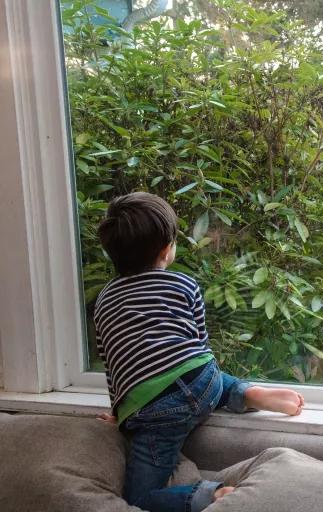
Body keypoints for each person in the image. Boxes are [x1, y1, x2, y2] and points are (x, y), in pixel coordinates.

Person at [93, 192, 304, 512]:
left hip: (154, 411)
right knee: (200, 372)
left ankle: (207, 495)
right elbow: (199, 347)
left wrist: (118, 412)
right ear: (167, 250)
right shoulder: (184, 284)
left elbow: (113, 363)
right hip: (203, 381)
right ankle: (247, 393)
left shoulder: (105, 300)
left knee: (136, 500)